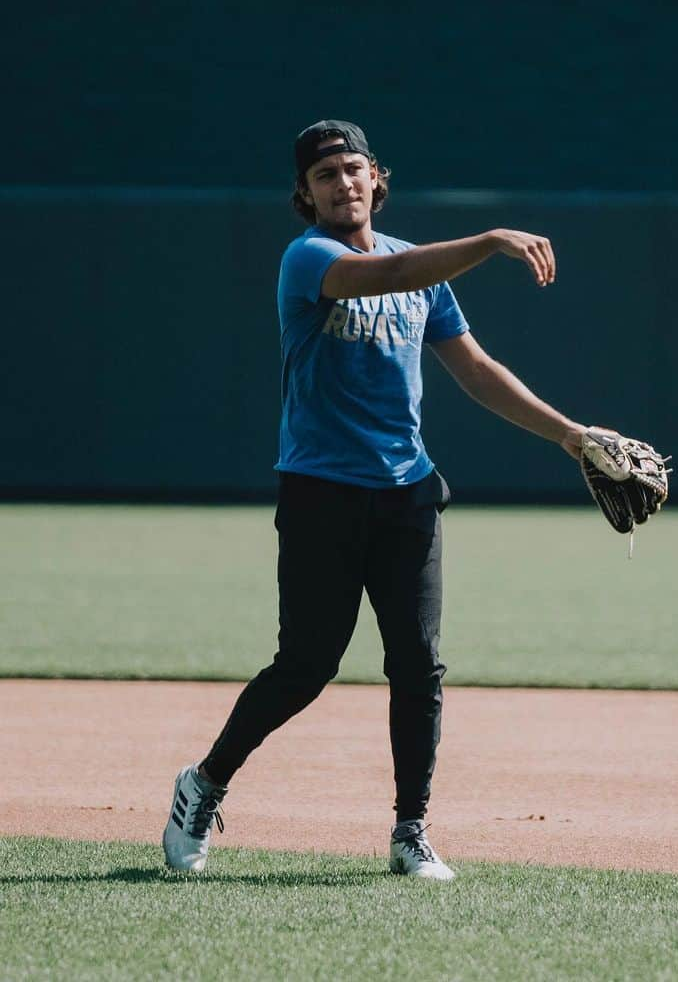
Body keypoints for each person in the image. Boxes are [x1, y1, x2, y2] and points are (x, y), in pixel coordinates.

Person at [163, 119, 589, 880]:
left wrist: (572, 436)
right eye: (325, 176)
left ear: (376, 179)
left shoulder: (418, 269)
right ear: (306, 194)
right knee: (305, 666)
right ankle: (204, 783)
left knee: (418, 665)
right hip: (322, 490)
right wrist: (491, 238)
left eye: (352, 169)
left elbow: (477, 370)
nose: (342, 183)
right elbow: (383, 281)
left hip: (408, 491)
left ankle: (410, 829)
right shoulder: (310, 259)